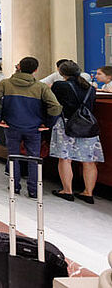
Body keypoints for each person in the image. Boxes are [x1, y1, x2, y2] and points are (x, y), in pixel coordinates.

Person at [0, 57, 62, 198]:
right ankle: (34, 190)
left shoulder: (5, 84)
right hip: (34, 128)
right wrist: (48, 124)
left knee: (13, 156)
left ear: (19, 67)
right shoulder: (40, 87)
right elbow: (56, 106)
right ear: (35, 70)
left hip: (11, 126)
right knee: (34, 158)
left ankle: (14, 186)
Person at [50, 60, 105, 204]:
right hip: (87, 126)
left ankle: (67, 190)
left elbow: (53, 103)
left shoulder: (59, 85)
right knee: (88, 160)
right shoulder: (90, 88)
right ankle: (88, 192)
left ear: (61, 73)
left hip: (66, 124)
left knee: (65, 158)